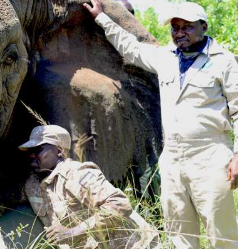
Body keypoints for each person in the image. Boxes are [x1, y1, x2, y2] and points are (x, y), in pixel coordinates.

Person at [83, 1, 238, 248]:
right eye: (175, 28)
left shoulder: (224, 62)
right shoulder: (165, 57)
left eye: (187, 27)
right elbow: (130, 47)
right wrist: (102, 18)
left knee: (221, 232)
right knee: (178, 233)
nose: (179, 33)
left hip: (210, 155)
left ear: (203, 27)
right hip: (173, 158)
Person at [20, 125, 160, 249]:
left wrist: (73, 232)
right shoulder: (34, 184)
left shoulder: (76, 174)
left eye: (38, 149)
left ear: (60, 150)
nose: (32, 155)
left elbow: (119, 203)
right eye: (29, 151)